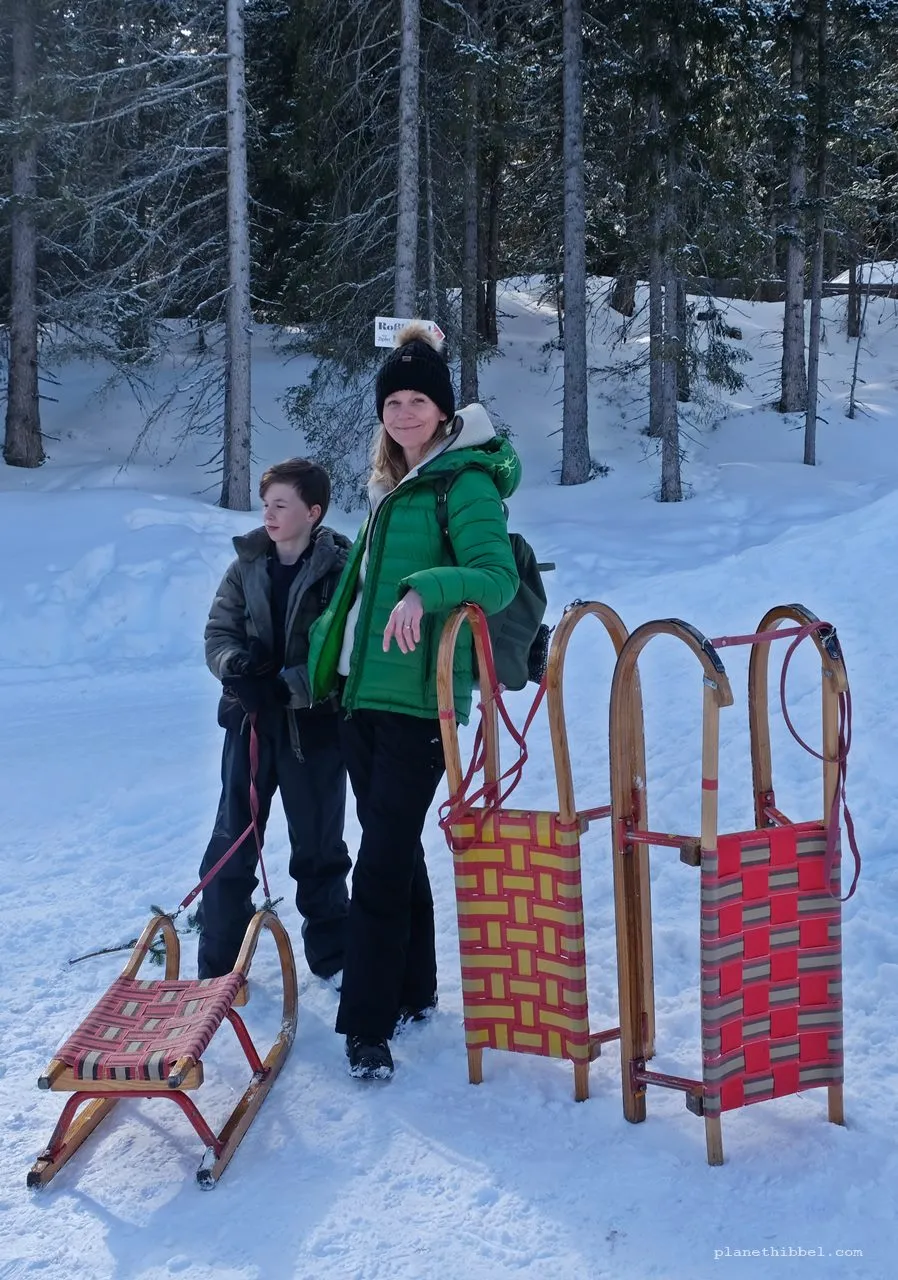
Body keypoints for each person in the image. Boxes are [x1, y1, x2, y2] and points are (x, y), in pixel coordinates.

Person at [308, 323, 521, 1080]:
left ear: (443, 410)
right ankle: (416, 987)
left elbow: (496, 577)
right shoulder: (390, 487)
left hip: (421, 703)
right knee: (391, 846)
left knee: (379, 862)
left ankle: (367, 1027)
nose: (403, 413)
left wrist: (423, 589)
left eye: (418, 401)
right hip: (363, 696)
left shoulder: (464, 483)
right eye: (393, 401)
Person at [197, 457, 352, 983]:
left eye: (280, 505)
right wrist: (237, 668)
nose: (268, 514)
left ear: (313, 512)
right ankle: (219, 967)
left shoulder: (341, 570)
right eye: (266, 504)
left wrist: (289, 686)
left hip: (314, 731)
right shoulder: (246, 563)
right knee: (232, 841)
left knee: (320, 848)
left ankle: (334, 960)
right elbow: (218, 633)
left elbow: (343, 652)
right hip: (250, 724)